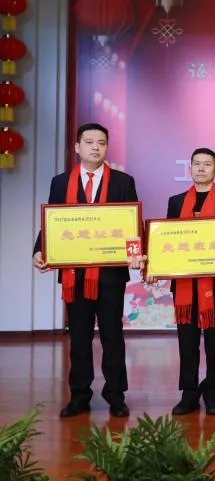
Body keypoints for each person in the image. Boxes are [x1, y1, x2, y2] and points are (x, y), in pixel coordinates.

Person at [32, 122, 138, 418]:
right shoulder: (60, 182)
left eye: (101, 143)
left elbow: (131, 225)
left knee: (112, 335)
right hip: (75, 275)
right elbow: (52, 223)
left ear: (107, 147)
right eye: (89, 142)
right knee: (78, 336)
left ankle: (116, 395)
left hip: (110, 275)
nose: (96, 147)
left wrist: (135, 255)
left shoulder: (123, 182)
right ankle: (79, 395)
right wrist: (40, 250)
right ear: (77, 147)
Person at [149, 147, 215, 416]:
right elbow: (167, 240)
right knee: (187, 340)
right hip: (185, 284)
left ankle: (212, 391)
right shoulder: (176, 201)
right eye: (197, 164)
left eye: (207, 164)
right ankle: (188, 393)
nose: (201, 168)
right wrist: (155, 266)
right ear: (189, 168)